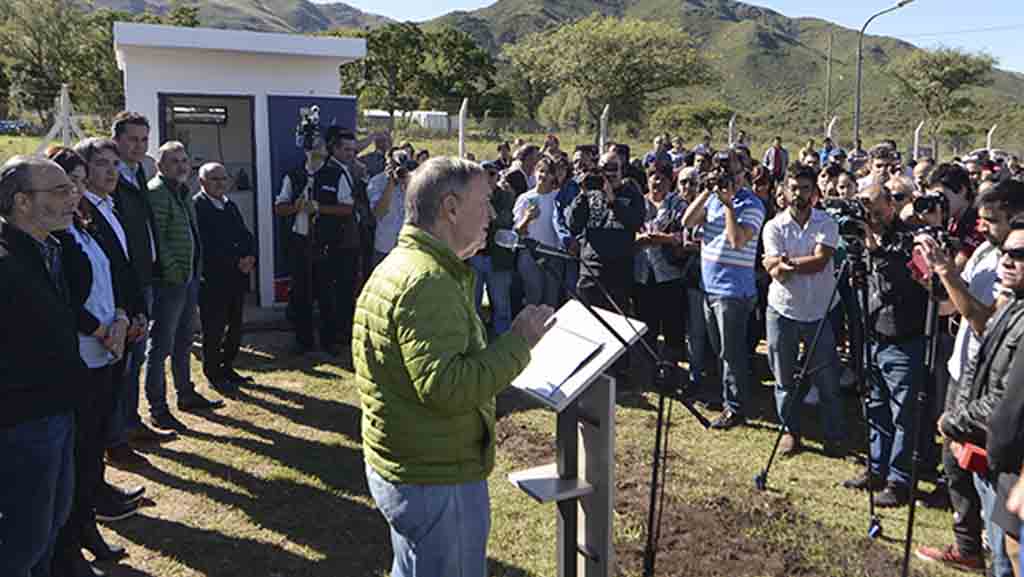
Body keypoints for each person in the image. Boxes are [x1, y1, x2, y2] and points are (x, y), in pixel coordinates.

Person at [353, 157, 555, 577]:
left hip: (412, 463)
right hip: (435, 475)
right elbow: (449, 387)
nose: (494, 215)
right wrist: (519, 342)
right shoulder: (427, 281)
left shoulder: (405, 265)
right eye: (484, 203)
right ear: (450, 208)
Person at [915, 179, 1024, 571]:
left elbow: (983, 320)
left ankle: (991, 553)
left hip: (991, 388)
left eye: (992, 220)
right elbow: (956, 309)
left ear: (1015, 216)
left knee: (989, 482)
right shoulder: (984, 250)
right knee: (956, 466)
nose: (982, 227)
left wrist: (947, 273)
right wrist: (933, 281)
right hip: (964, 370)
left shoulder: (1012, 268)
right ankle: (968, 545)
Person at [46, 147, 135, 577]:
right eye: (68, 183)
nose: (76, 191)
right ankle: (70, 545)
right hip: (81, 357)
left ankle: (87, 527)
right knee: (76, 457)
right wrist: (101, 329)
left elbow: (109, 280)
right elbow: (63, 300)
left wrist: (119, 317)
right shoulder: (52, 239)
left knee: (92, 449)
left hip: (104, 353)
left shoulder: (83, 228)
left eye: (79, 182)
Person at [0, 156, 85, 577]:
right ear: (22, 202)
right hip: (24, 422)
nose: (73, 196)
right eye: (59, 191)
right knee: (25, 536)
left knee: (52, 523)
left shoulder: (50, 249)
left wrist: (66, 240)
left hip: (58, 410)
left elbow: (81, 290)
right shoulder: (6, 263)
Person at [68, 140, 152, 527]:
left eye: (114, 164)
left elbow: (124, 265)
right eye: (100, 165)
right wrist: (114, 320)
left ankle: (99, 491)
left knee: (103, 416)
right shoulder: (81, 214)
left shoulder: (109, 206)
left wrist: (132, 313)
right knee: (90, 428)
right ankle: (90, 503)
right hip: (95, 336)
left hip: (118, 323)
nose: (110, 172)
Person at [841, 183, 928, 508]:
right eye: (868, 212)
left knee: (903, 413)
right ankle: (876, 467)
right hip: (873, 335)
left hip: (905, 338)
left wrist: (875, 250)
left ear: (892, 205)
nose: (873, 219)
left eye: (878, 211)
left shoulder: (909, 239)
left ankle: (899, 480)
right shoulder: (863, 238)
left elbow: (905, 280)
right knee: (875, 405)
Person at [761, 164, 845, 457]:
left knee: (827, 379)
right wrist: (778, 265)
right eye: (793, 188)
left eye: (805, 188)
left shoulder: (827, 223)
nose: (799, 194)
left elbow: (821, 261)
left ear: (815, 192)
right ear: (784, 189)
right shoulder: (773, 226)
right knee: (783, 377)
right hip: (782, 310)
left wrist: (785, 263)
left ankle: (834, 435)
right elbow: (774, 271)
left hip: (820, 311)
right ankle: (790, 433)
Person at [681, 149, 766, 428]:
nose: (727, 177)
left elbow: (737, 240)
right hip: (710, 285)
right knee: (720, 350)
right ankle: (728, 397)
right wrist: (707, 192)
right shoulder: (714, 200)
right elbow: (687, 221)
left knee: (732, 352)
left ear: (745, 173)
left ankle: (736, 407)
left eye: (732, 171)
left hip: (733, 289)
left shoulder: (752, 204)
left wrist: (729, 204)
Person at [107, 112, 171, 468]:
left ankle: (130, 424)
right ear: (116, 138)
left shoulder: (137, 172)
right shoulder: (112, 177)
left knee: (137, 358)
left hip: (144, 278)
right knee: (126, 361)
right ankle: (119, 434)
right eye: (132, 139)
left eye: (144, 140)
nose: (139, 146)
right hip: (126, 283)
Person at [145, 142, 223, 432]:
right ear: (161, 165)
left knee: (184, 340)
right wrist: (175, 271)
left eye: (184, 160)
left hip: (189, 277)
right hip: (171, 281)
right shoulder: (157, 192)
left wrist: (193, 270)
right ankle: (157, 408)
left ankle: (186, 394)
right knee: (161, 345)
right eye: (174, 161)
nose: (181, 166)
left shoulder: (182, 192)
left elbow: (190, 234)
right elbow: (159, 238)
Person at [193, 162, 256, 393]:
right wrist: (235, 261)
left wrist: (250, 256)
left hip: (236, 278)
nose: (220, 183)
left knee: (235, 327)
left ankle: (228, 367)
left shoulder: (229, 205)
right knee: (214, 329)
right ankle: (213, 373)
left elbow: (245, 234)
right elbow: (206, 245)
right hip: (213, 281)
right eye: (214, 179)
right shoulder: (197, 206)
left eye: (223, 179)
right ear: (202, 182)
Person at [634, 161, 688, 365]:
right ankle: (648, 367)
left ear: (670, 181)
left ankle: (670, 368)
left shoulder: (678, 204)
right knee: (646, 324)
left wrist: (661, 239)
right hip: (641, 274)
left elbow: (683, 236)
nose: (657, 182)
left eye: (662, 179)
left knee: (672, 324)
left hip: (670, 274)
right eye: (653, 177)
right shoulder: (638, 203)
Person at [468, 161, 516, 335]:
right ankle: (477, 339)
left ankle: (503, 340)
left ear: (497, 176)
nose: (488, 179)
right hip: (474, 257)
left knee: (501, 305)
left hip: (497, 259)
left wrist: (487, 202)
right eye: (483, 175)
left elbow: (502, 222)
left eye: (492, 174)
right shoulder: (469, 196)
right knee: (473, 305)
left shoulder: (506, 197)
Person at [367, 148, 412, 266]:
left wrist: (407, 182)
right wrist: (390, 183)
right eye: (395, 165)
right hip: (385, 246)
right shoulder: (376, 182)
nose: (399, 168)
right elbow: (379, 212)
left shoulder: (413, 180)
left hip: (408, 247)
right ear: (387, 163)